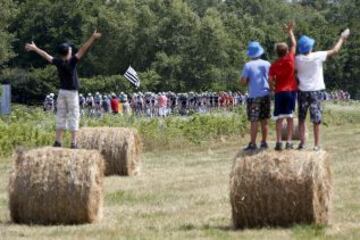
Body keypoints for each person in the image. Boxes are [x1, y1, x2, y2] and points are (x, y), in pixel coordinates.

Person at [25, 30, 102, 148]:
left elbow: (46, 55)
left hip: (62, 92)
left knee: (61, 114)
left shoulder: (58, 62)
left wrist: (35, 48)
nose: (72, 50)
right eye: (71, 49)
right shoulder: (72, 61)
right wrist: (92, 37)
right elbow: (83, 49)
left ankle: (58, 141)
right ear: (68, 52)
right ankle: (73, 142)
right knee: (74, 115)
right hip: (72, 93)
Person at [295, 28, 350, 151]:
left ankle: (302, 143)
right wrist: (342, 38)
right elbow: (335, 51)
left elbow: (293, 71)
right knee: (316, 119)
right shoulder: (318, 55)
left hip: (302, 91)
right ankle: (316, 145)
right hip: (316, 91)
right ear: (310, 47)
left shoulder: (297, 59)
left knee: (302, 119)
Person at [269, 22, 298, 151]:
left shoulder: (274, 65)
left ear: (277, 53)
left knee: (279, 118)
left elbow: (270, 79)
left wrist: (272, 87)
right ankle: (289, 142)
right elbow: (294, 44)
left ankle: (279, 141)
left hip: (279, 92)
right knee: (290, 117)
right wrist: (290, 31)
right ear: (286, 51)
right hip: (291, 91)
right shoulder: (290, 59)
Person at [240, 41, 271, 151]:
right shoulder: (267, 64)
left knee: (254, 120)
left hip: (254, 96)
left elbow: (243, 81)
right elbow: (271, 78)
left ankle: (253, 143)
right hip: (266, 94)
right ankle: (264, 142)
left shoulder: (248, 65)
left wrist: (246, 80)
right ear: (260, 52)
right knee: (265, 120)